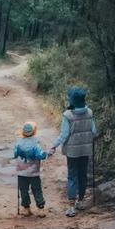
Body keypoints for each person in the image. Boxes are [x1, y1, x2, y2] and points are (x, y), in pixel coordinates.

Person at [49, 87, 97, 217]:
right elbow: (93, 131)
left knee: (72, 176)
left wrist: (53, 146)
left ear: (72, 101)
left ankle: (71, 207)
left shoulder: (68, 115)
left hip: (72, 151)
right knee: (83, 175)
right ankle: (80, 202)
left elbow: (64, 135)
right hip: (86, 150)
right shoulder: (90, 112)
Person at [13, 121, 48, 217]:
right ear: (33, 132)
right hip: (33, 172)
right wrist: (46, 154)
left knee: (23, 190)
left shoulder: (18, 143)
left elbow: (15, 154)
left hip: (21, 171)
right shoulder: (36, 144)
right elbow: (40, 156)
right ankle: (40, 209)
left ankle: (26, 208)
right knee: (37, 189)